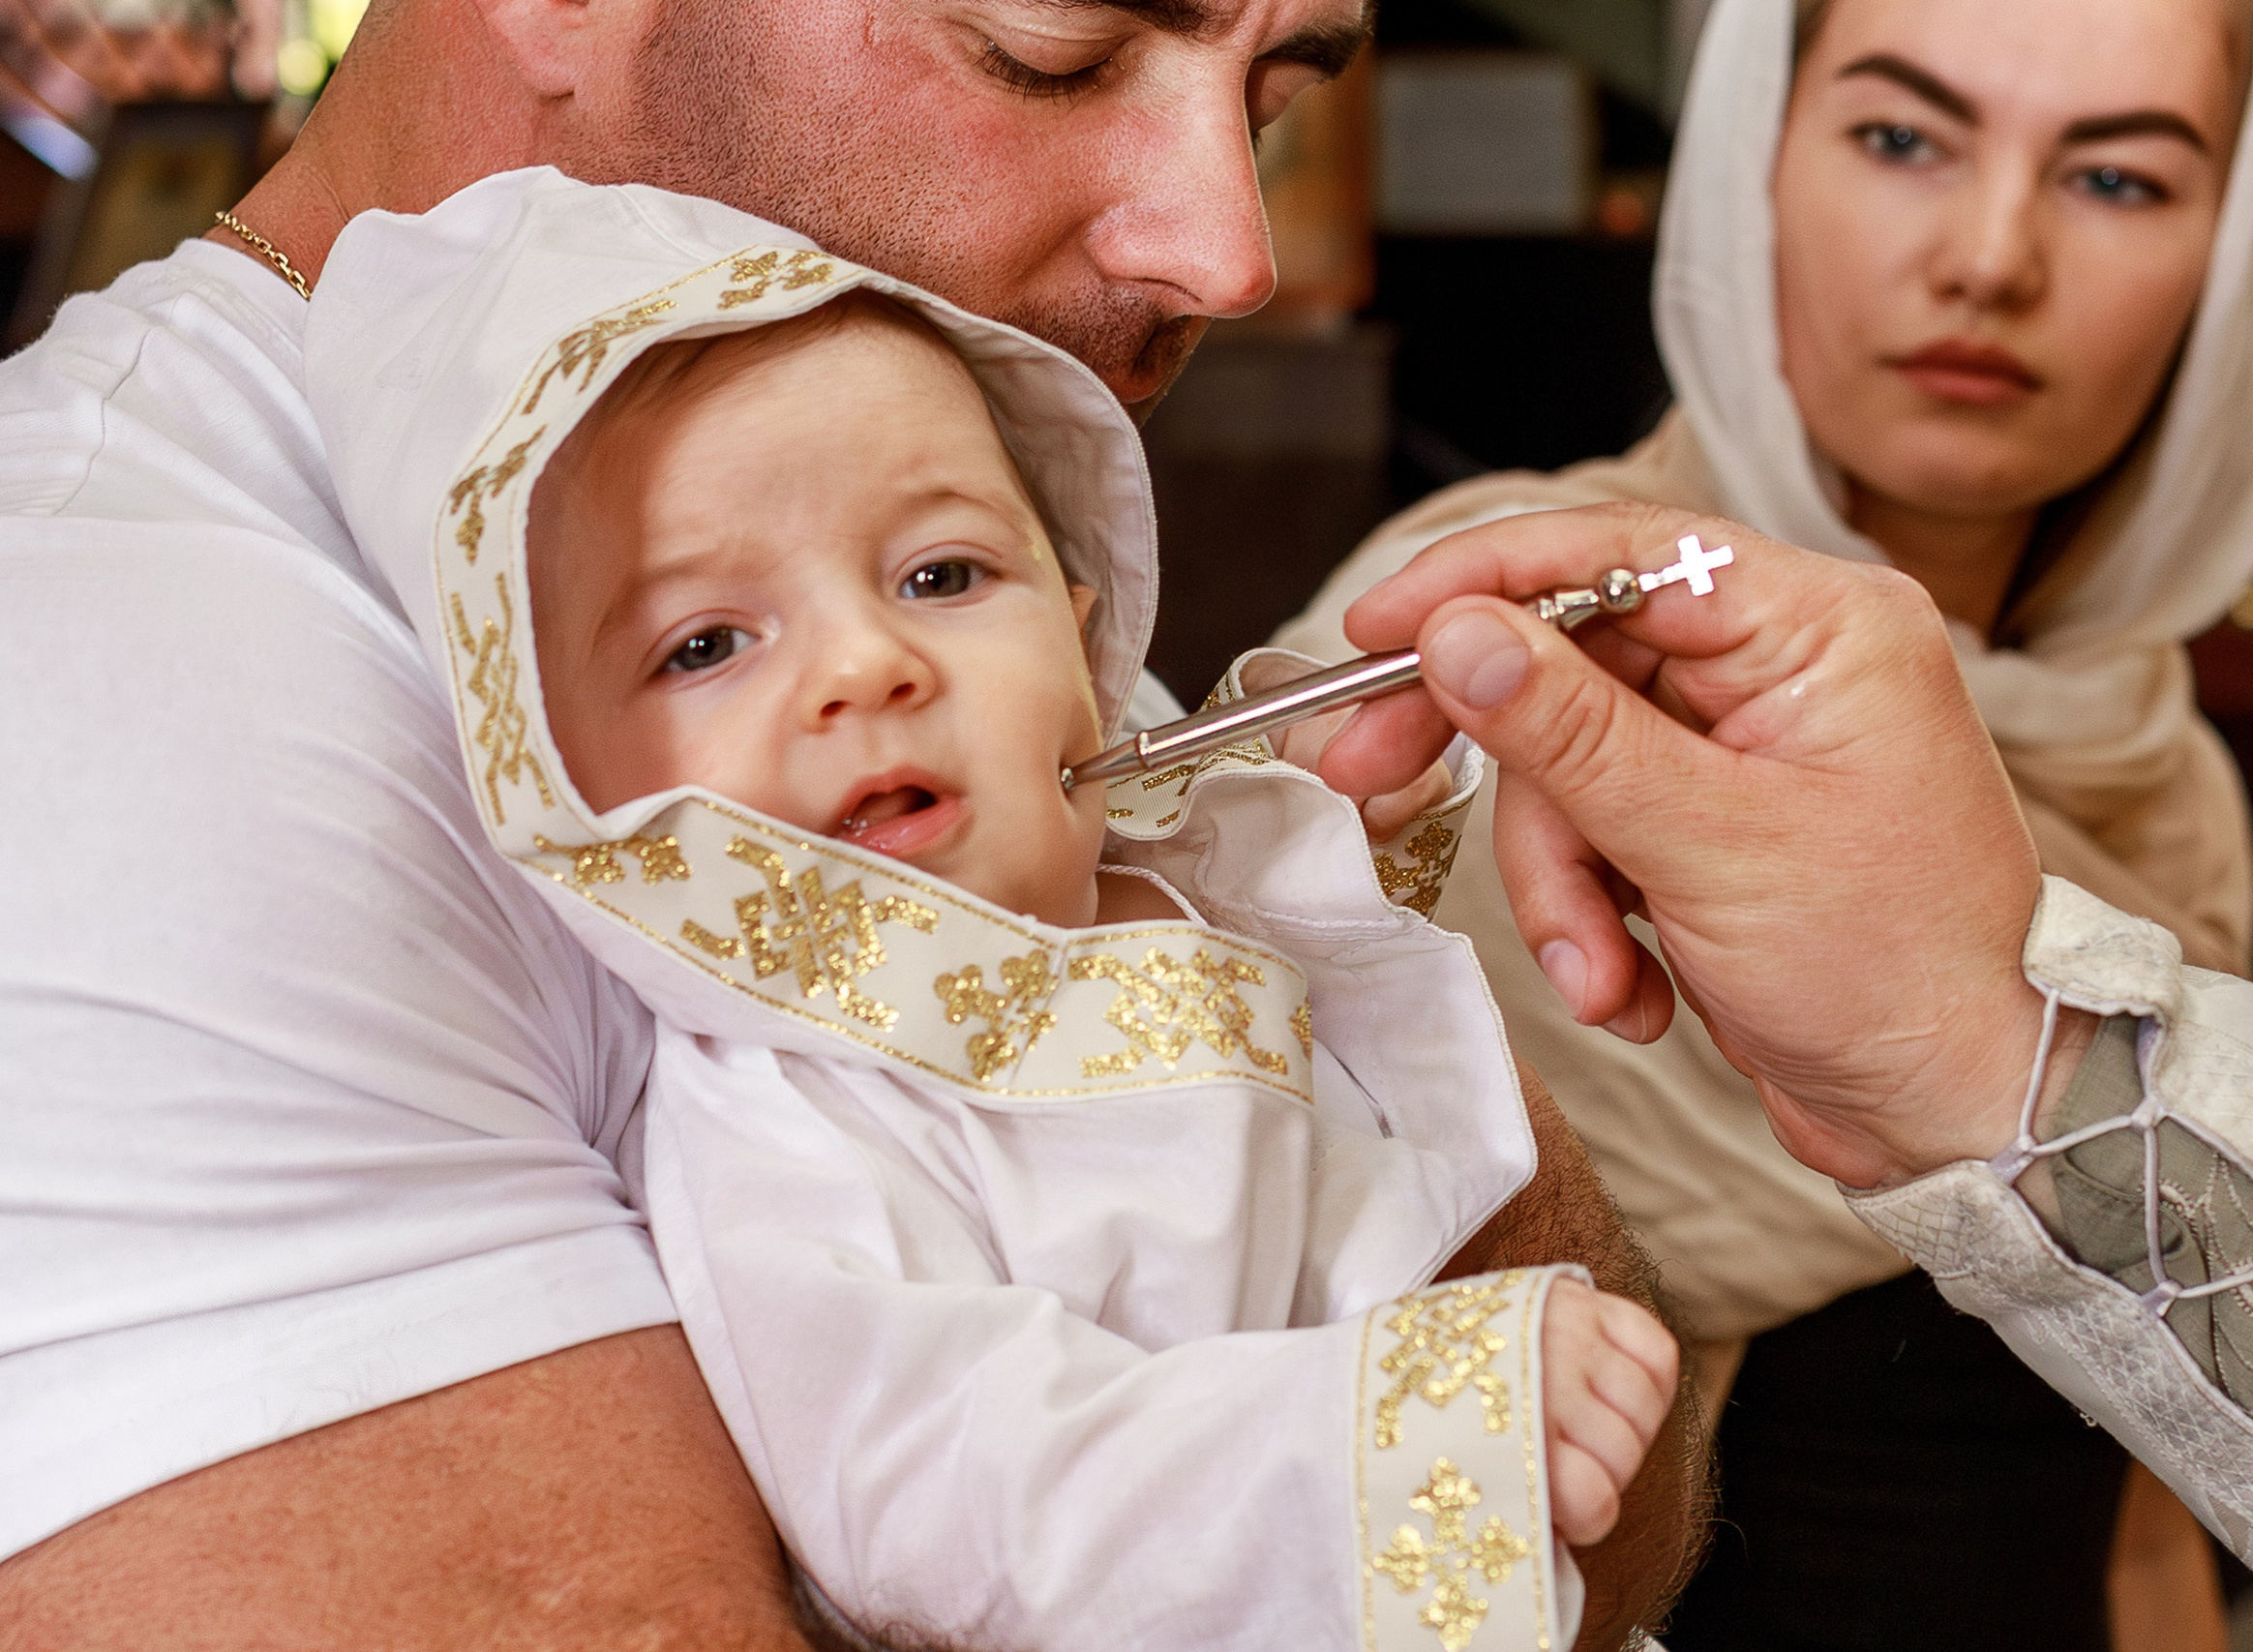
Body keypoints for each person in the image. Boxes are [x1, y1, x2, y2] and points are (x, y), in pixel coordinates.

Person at [304, 165, 1675, 1650]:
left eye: (942, 572)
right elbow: (954, 1491)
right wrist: (1409, 1423)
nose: (865, 666)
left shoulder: (1157, 881)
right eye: (706, 643)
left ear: (1085, 639)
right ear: (565, 782)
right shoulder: (793, 1110)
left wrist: (1329, 822)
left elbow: (1317, 1055)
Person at [1279, 0, 2253, 1640]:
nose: (1989, 258)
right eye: (1901, 138)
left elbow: (2135, 1493)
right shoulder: (1483, 654)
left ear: (2237, 258)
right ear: (1751, 163)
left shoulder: (2162, 772)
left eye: (2115, 180)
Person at [1313, 502, 2253, 1652]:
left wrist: (1982, 1048)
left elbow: (2148, 1519)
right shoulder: (1337, 782)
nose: (1981, 297)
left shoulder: (2172, 771)